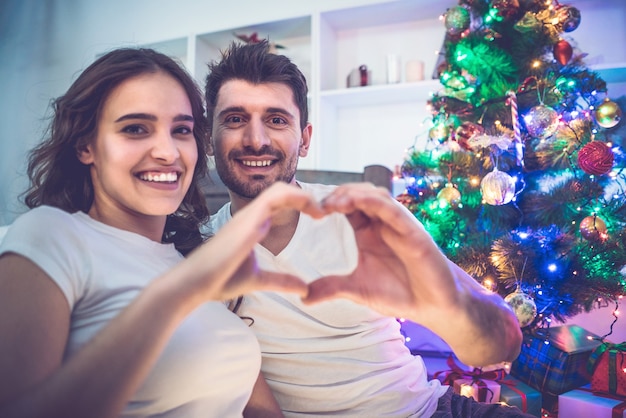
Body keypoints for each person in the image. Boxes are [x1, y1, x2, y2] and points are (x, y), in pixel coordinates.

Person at [203, 40, 530, 417]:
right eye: (234, 119)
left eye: (276, 120)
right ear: (209, 138)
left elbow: (501, 345)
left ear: (304, 139)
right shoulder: (198, 248)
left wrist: (444, 306)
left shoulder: (365, 219)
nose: (256, 140)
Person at [0, 47, 331, 418]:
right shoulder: (51, 235)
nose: (166, 151)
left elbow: (258, 406)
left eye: (181, 130)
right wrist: (172, 298)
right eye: (136, 128)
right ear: (86, 145)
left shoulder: (190, 255)